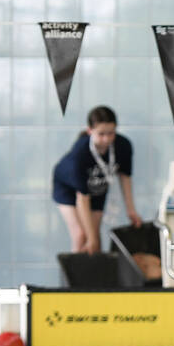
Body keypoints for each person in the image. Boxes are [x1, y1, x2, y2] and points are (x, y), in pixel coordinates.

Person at [52, 105, 140, 255]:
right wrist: (90, 238)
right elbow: (82, 198)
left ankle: (94, 277)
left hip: (97, 188)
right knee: (82, 236)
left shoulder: (123, 145)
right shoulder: (80, 154)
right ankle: (76, 276)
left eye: (111, 133)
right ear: (90, 131)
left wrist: (131, 210)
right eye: (101, 134)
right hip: (68, 189)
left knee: (95, 240)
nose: (106, 139)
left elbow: (125, 177)